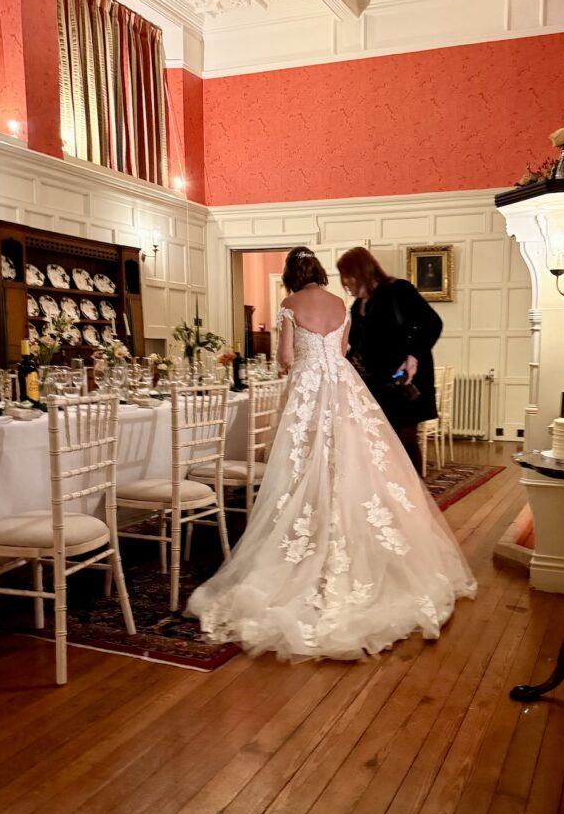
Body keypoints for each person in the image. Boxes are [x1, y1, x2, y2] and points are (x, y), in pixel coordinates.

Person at [185, 247, 476, 662]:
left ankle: (309, 536)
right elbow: (340, 351)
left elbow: (286, 357)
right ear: (321, 271)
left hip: (307, 386)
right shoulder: (343, 304)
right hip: (343, 386)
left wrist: (297, 365)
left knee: (302, 463)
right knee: (353, 459)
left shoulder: (289, 304)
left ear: (290, 276)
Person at [337, 246, 442, 474]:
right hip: (375, 385)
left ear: (361, 271)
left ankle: (414, 495)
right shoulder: (358, 306)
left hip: (403, 381)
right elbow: (359, 346)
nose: (345, 283)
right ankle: (391, 494)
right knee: (380, 440)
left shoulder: (398, 291)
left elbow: (432, 323)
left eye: (347, 276)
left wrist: (413, 355)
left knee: (405, 437)